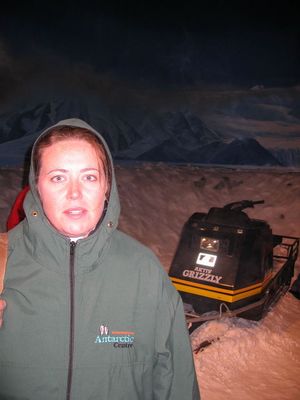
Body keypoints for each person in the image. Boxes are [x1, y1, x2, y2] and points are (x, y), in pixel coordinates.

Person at [0, 118, 200, 399]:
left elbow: (175, 384)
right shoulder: (4, 264)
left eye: (89, 177)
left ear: (107, 186)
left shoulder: (143, 270)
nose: (74, 193)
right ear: (36, 186)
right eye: (58, 177)